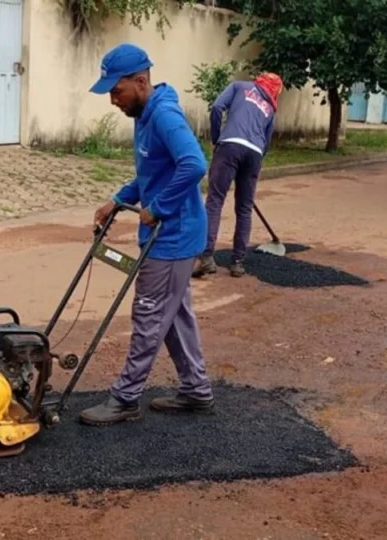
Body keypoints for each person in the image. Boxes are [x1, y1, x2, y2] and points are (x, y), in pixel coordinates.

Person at [80, 42, 215, 426]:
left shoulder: (165, 117)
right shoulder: (144, 114)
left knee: (149, 314)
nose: (112, 100)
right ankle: (196, 390)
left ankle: (125, 399)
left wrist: (158, 209)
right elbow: (153, 174)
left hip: (172, 237)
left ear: (140, 82)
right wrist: (117, 200)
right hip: (172, 235)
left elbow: (194, 164)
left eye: (116, 91)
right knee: (173, 315)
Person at [192, 72, 283, 278]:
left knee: (215, 201)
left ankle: (206, 257)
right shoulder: (270, 109)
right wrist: (254, 163)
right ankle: (237, 263)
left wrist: (217, 138)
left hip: (230, 145)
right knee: (244, 208)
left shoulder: (239, 87)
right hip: (255, 154)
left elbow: (216, 107)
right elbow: (266, 143)